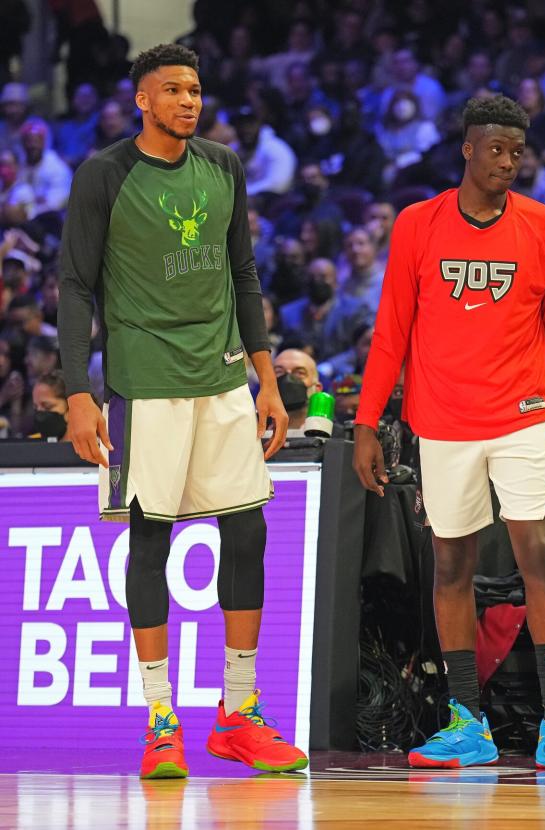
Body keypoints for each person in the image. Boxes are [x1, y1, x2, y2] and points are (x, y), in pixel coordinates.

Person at [57, 43, 304, 781]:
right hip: (145, 382)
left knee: (248, 530)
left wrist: (266, 374)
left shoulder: (224, 167)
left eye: (195, 90)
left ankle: (238, 713)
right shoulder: (104, 174)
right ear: (142, 100)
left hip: (225, 377)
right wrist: (77, 391)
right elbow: (74, 285)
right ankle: (162, 721)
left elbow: (243, 272)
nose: (189, 101)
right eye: (173, 90)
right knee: (150, 546)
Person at [352, 94, 545, 771]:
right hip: (441, 423)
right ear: (467, 148)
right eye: (496, 149)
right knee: (452, 567)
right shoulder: (417, 224)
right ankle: (467, 721)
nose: (508, 162)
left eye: (518, 152)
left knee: (538, 559)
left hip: (523, 417)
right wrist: (367, 422)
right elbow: (391, 331)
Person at [30, 368, 69, 440]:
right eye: (35, 407)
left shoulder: (94, 446)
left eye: (47, 406)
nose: (39, 412)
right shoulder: (31, 444)